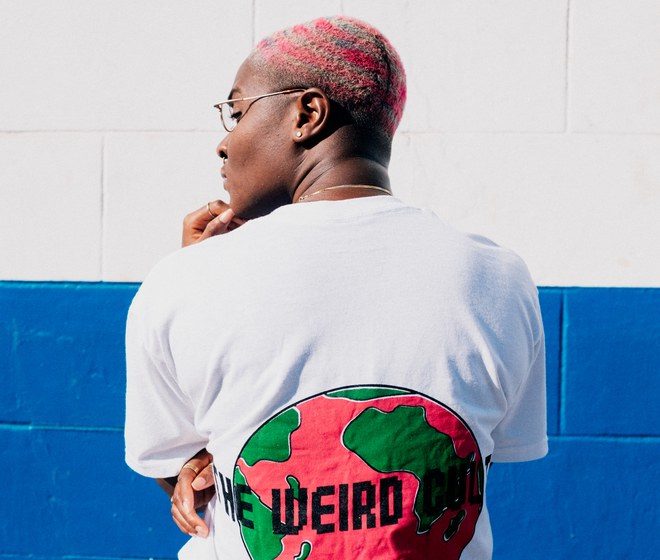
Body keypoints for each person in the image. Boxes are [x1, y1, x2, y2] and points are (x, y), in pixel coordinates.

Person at [124, 14, 547, 560]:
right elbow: (468, 458)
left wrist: (196, 278)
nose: (223, 145)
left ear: (307, 114)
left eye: (236, 112)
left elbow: (187, 476)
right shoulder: (500, 280)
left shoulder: (182, 282)